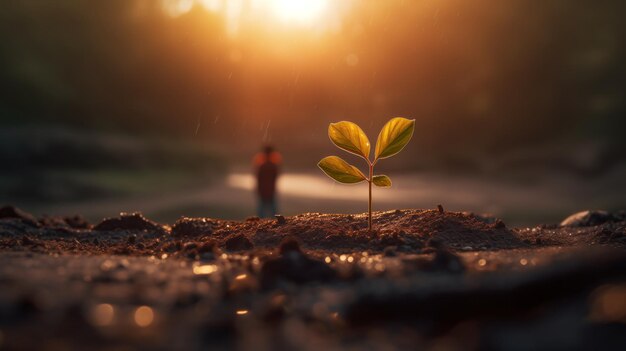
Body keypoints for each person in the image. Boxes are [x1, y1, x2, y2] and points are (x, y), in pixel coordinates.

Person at [253, 144, 282, 218]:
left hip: (265, 190)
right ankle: (275, 223)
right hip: (269, 190)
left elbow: (257, 177)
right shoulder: (272, 165)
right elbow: (277, 175)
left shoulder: (261, 165)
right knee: (271, 210)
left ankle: (261, 223)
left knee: (263, 210)